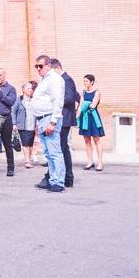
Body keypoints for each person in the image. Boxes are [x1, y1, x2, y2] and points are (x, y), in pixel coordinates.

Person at [31, 55, 66, 192]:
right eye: (36, 66)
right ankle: (53, 180)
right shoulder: (45, 79)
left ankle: (59, 182)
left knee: (55, 151)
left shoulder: (54, 79)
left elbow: (57, 102)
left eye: (40, 66)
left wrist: (52, 122)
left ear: (48, 65)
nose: (38, 69)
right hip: (42, 119)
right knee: (48, 153)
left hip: (49, 118)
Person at [50, 59, 79, 187]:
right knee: (61, 148)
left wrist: (52, 100)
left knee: (62, 148)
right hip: (62, 117)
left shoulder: (66, 79)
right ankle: (65, 176)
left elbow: (70, 98)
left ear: (57, 68)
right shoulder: (62, 79)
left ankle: (67, 177)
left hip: (65, 118)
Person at [78, 74, 105, 171]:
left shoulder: (97, 92)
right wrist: (77, 117)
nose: (85, 83)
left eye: (86, 81)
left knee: (97, 140)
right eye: (84, 81)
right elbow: (81, 105)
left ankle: (100, 163)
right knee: (87, 141)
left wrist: (85, 104)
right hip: (84, 118)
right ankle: (90, 162)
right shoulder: (83, 92)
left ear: (92, 82)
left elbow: (92, 105)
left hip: (93, 118)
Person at [12, 81, 37, 168]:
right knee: (25, 144)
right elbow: (13, 111)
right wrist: (14, 123)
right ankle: (27, 161)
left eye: (31, 88)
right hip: (22, 125)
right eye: (28, 88)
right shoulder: (19, 100)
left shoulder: (34, 99)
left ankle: (28, 160)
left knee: (30, 144)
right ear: (23, 90)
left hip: (32, 125)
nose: (30, 90)